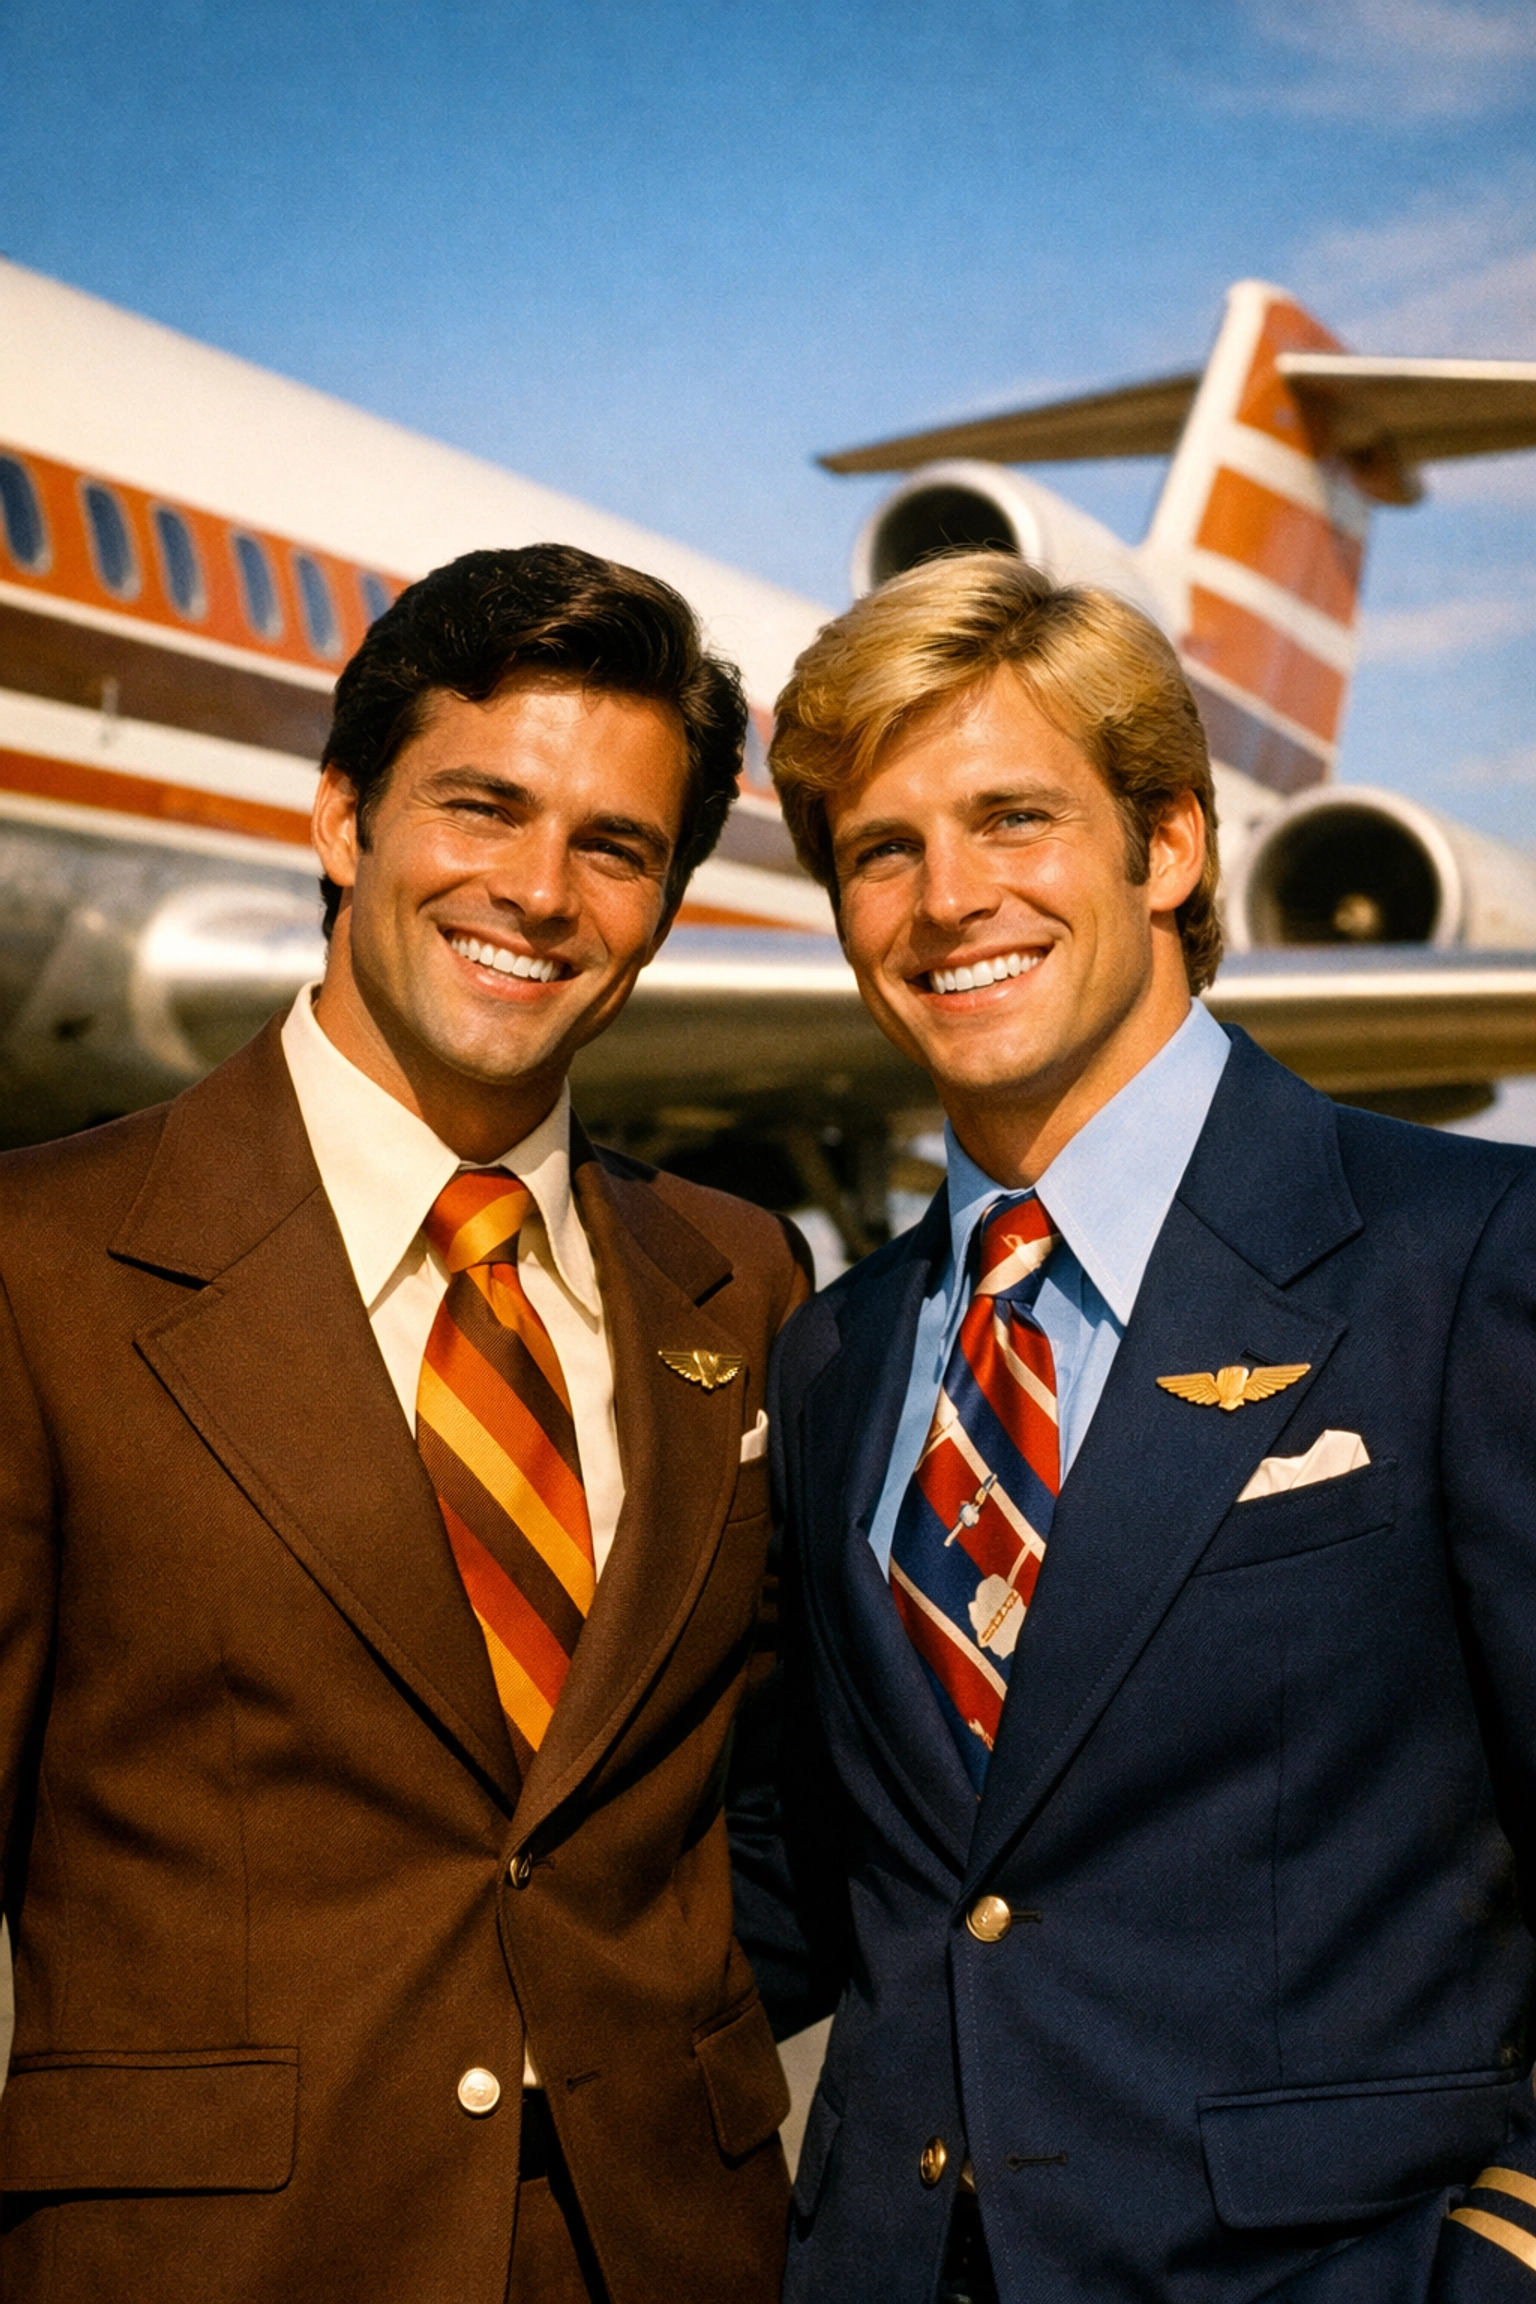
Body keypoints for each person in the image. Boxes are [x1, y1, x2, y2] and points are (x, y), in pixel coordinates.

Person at [0, 543, 808, 2304]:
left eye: (617, 848)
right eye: (482, 808)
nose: (539, 891)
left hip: (673, 2256)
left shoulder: (737, 1282)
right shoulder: (40, 1269)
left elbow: (782, 1796)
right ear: (342, 820)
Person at [729, 551, 1536, 2304]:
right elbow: (820, 1873)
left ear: (1168, 847)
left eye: (1013, 818)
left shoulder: (1466, 1261)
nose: (949, 899)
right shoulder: (840, 1354)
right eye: (882, 850)